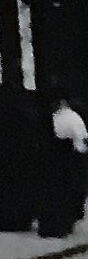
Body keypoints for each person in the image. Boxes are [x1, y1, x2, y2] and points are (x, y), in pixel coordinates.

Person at [44, 95, 88, 238]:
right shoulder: (74, 117)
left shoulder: (52, 117)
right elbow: (81, 140)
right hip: (72, 156)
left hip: (56, 158)